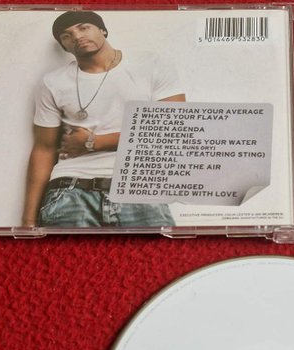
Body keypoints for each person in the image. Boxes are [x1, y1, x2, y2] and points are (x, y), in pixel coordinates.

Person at [23, 11, 186, 228]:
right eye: (66, 36)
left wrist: (94, 142)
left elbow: (173, 131)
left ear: (103, 30)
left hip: (137, 187)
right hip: (70, 189)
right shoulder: (52, 83)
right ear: (64, 47)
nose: (77, 36)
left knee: (160, 250)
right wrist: (28, 221)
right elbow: (44, 149)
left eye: (84, 27)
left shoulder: (150, 64)